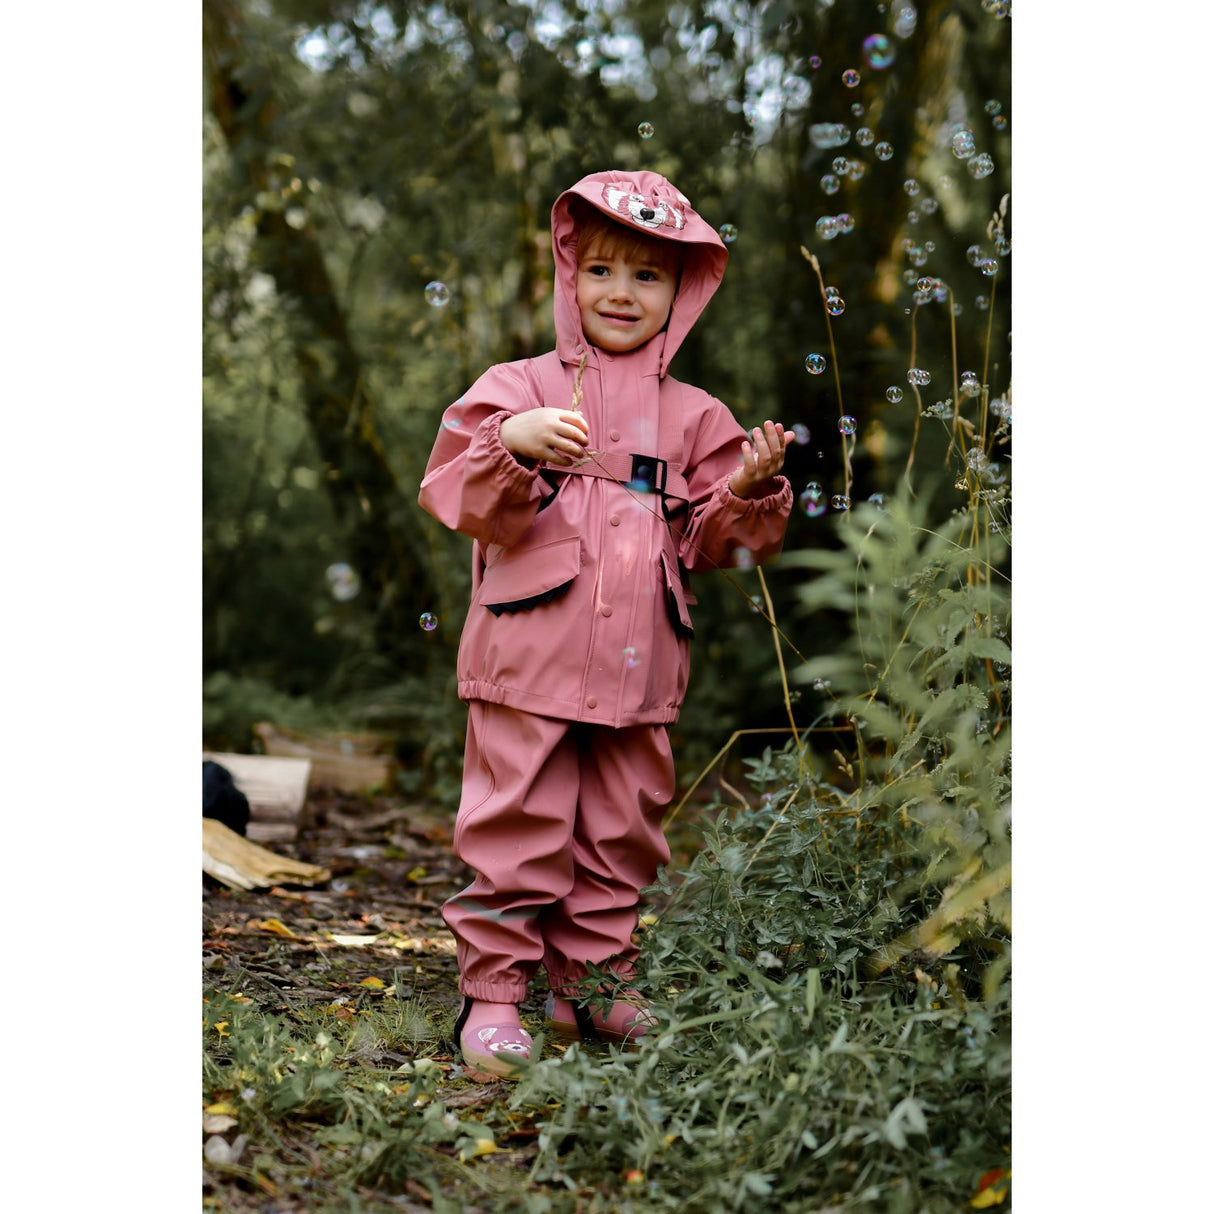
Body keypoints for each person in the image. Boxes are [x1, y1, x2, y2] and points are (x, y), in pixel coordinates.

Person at [418, 169, 794, 1079]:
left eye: (648, 275)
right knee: (518, 822)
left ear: (683, 291)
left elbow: (712, 543)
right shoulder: (519, 385)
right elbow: (455, 493)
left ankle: (590, 988)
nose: (621, 292)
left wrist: (745, 490)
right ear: (568, 273)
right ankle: (494, 993)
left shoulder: (696, 415)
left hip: (640, 665)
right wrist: (510, 442)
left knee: (622, 831)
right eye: (601, 270)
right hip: (528, 652)